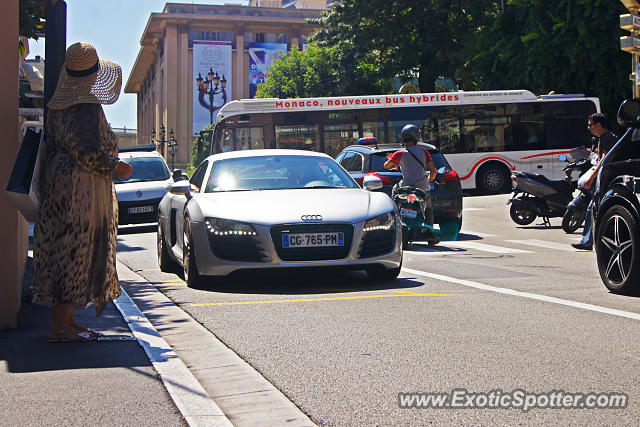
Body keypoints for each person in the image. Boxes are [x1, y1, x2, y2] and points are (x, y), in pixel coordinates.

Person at [32, 42, 133, 341]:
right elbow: (86, 150)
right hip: (81, 189)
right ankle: (60, 327)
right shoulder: (86, 107)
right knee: (76, 252)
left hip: (59, 184)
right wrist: (117, 165)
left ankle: (67, 320)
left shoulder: (59, 107)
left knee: (63, 248)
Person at [384, 124, 439, 244]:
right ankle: (431, 236)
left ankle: (395, 214)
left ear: (403, 137)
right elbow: (433, 171)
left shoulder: (400, 153)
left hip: (406, 188)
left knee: (395, 191)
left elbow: (386, 165)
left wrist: (396, 163)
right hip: (422, 188)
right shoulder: (424, 152)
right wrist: (429, 179)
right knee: (428, 210)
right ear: (417, 137)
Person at [571, 113, 617, 250]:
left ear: (598, 125)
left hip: (607, 180)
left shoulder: (606, 138)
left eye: (591, 124)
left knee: (594, 208)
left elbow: (604, 159)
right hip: (607, 180)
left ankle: (590, 242)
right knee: (592, 207)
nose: (589, 127)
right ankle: (589, 241)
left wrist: (591, 178)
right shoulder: (604, 138)